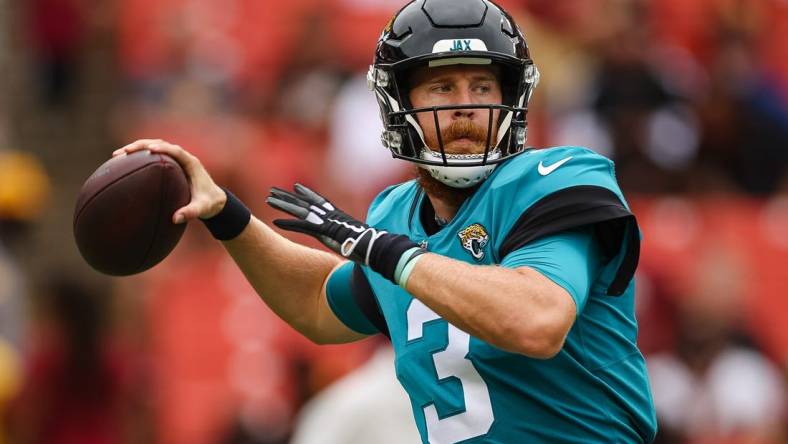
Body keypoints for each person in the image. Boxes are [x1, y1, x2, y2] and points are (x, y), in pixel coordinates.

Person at [114, 0, 657, 442]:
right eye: (443, 87)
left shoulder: (557, 178)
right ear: (400, 103)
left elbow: (537, 320)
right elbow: (319, 304)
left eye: (483, 86)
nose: (466, 106)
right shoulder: (396, 215)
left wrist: (388, 251)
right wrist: (229, 216)